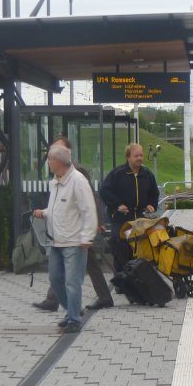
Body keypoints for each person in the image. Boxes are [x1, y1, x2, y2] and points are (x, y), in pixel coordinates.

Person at [33, 138, 114, 312]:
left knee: (73, 276)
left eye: (58, 148)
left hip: (78, 232)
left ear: (67, 152)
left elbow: (90, 199)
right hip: (66, 233)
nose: (53, 152)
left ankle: (65, 306)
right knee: (70, 270)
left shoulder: (77, 172)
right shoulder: (56, 176)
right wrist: (46, 212)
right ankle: (99, 297)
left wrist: (95, 224)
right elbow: (59, 205)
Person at [33, 144, 98, 333]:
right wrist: (44, 213)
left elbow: (89, 210)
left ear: (57, 161)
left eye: (49, 159)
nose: (47, 163)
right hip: (56, 241)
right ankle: (72, 311)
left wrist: (87, 237)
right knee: (55, 279)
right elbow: (58, 208)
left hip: (74, 242)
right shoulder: (56, 181)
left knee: (72, 282)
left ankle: (74, 320)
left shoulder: (78, 181)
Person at [99, 143, 160, 272]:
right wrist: (117, 205)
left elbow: (154, 193)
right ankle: (121, 277)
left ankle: (138, 275)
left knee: (140, 245)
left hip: (140, 217)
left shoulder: (147, 174)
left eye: (141, 155)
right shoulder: (118, 174)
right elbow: (104, 190)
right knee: (120, 245)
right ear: (128, 157)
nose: (140, 158)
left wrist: (151, 205)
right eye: (136, 155)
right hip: (121, 219)